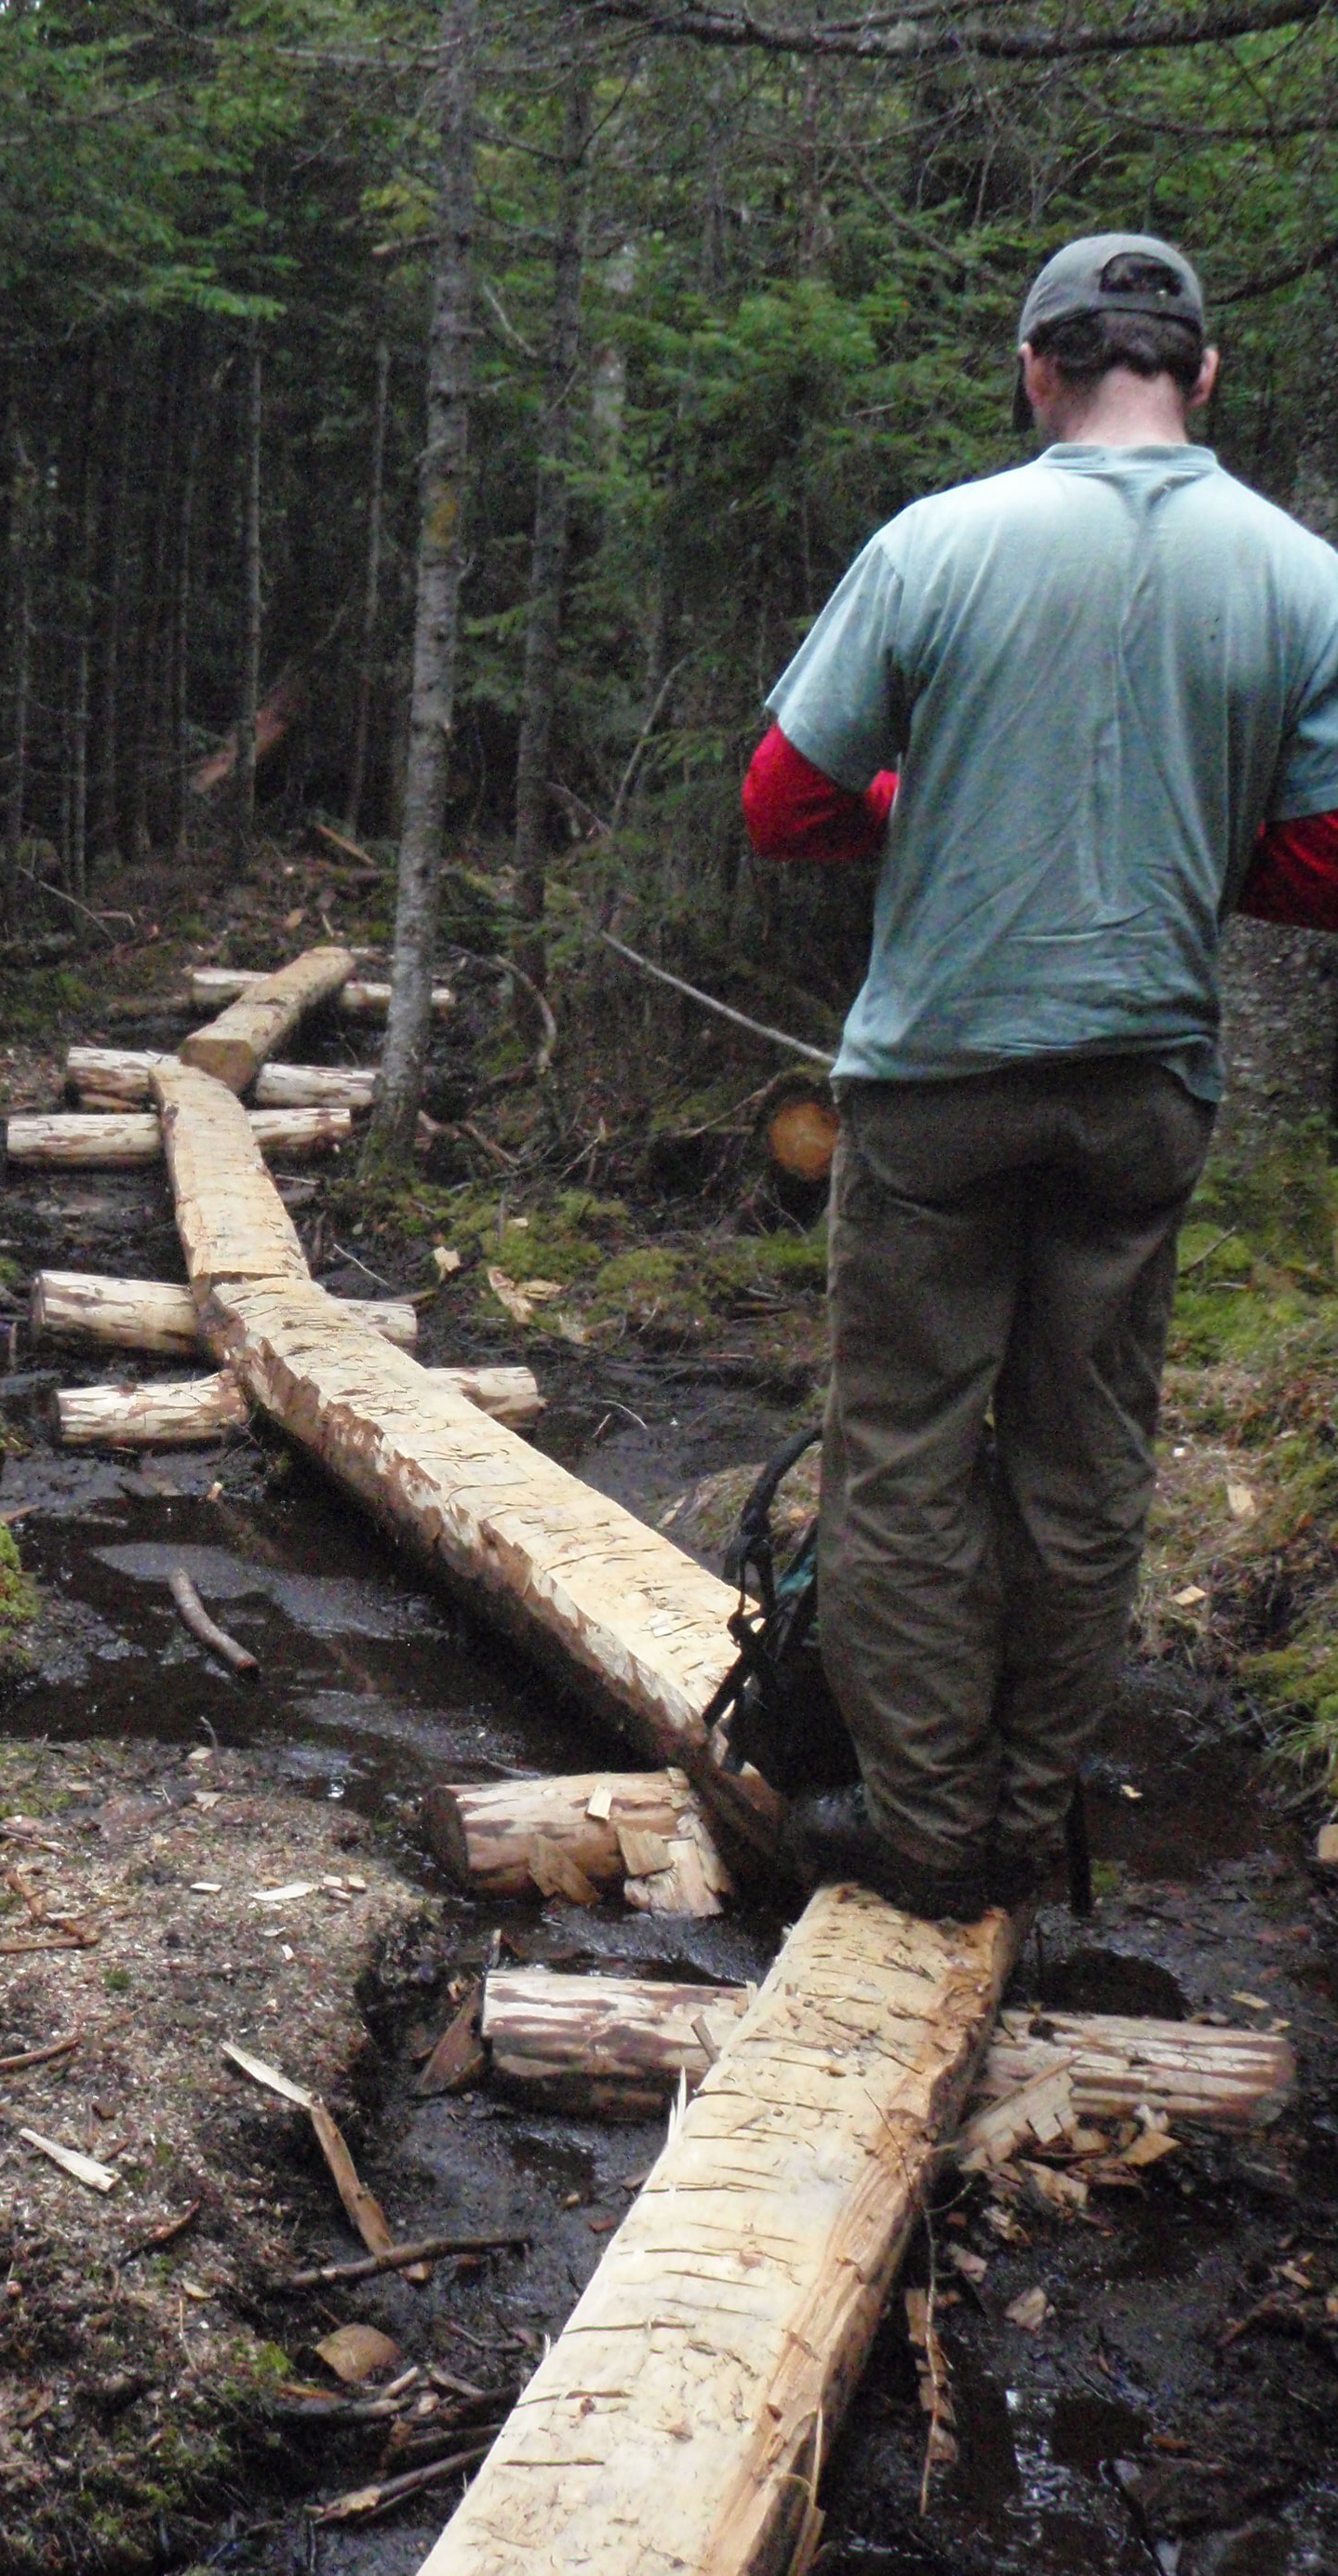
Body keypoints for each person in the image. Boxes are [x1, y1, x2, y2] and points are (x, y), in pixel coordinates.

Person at [739, 233, 1338, 1917]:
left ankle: (926, 1832)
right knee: (1086, 1465)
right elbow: (1327, 861)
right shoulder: (1304, 575)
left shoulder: (936, 543)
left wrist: (915, 810)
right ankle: (1023, 1819)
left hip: (940, 1080)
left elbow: (783, 800)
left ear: (1034, 370)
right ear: (1202, 372)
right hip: (1144, 1086)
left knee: (907, 1452)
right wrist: (1185, 844)